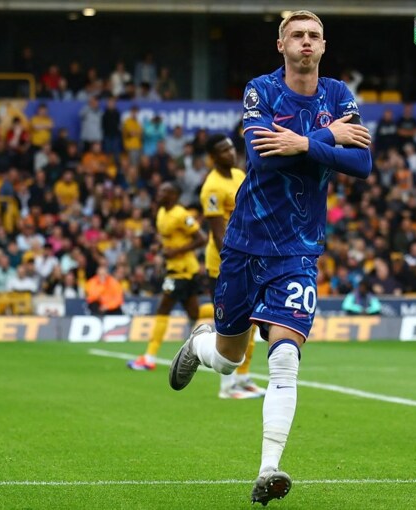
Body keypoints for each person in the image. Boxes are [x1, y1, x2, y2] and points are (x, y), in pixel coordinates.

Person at [168, 10, 372, 505]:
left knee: (284, 358)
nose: (306, 42)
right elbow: (261, 156)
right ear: (281, 45)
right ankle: (199, 345)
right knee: (228, 359)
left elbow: (362, 162)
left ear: (324, 46)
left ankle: (269, 469)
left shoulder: (339, 95)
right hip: (245, 243)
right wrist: (325, 139)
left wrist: (301, 142)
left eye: (314, 35)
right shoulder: (261, 90)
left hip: (299, 250)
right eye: (297, 35)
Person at [200, 133, 265, 399]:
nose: (231, 153)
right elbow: (218, 233)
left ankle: (242, 377)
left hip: (248, 255)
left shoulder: (239, 175)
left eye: (230, 148)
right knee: (229, 325)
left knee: (252, 322)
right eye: (223, 150)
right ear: (213, 157)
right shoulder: (211, 188)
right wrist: (232, 264)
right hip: (224, 263)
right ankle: (226, 387)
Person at [127, 182, 207, 371]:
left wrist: (176, 251)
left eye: (164, 191)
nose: (159, 193)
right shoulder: (161, 213)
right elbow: (169, 239)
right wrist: (161, 248)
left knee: (163, 308)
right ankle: (224, 311)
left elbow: (202, 238)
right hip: (176, 269)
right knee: (194, 313)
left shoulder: (181, 215)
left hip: (183, 270)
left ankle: (149, 357)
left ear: (174, 195)